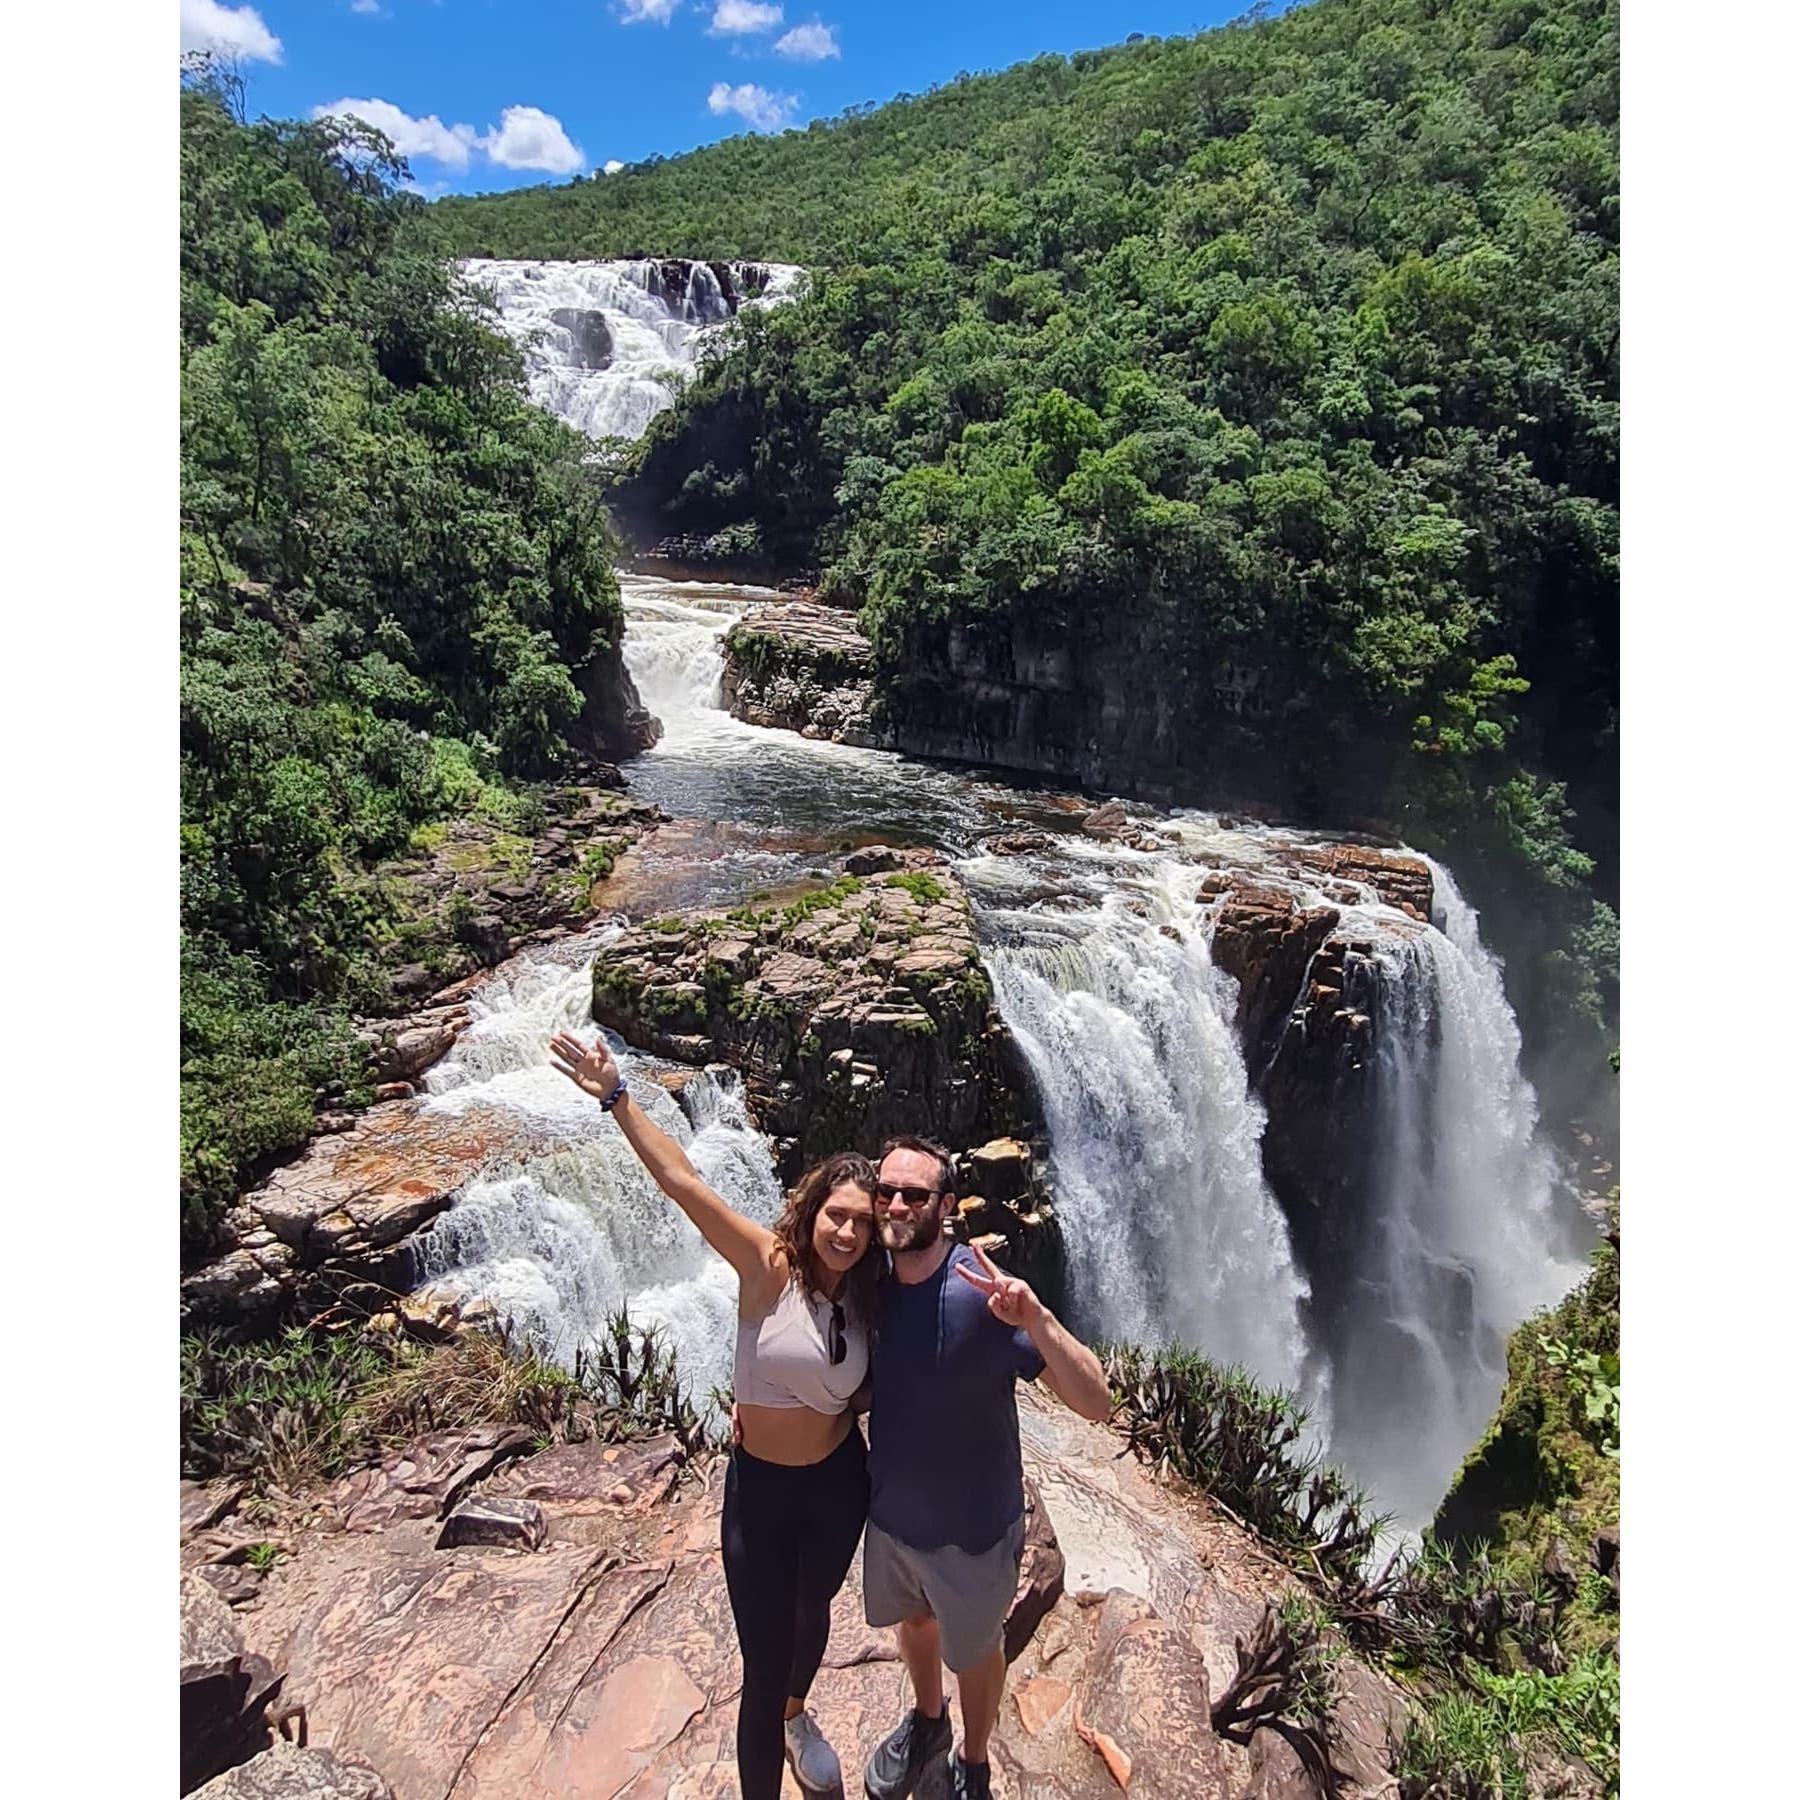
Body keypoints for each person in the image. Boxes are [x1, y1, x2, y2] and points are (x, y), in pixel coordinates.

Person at [549, 1029, 879, 1800]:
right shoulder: (768, 1265)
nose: (848, 1231)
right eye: (838, 1214)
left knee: (815, 1608)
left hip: (839, 1486)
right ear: (813, 1209)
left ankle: (801, 1717)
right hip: (761, 1494)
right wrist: (617, 1095)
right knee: (760, 1667)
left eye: (862, 1222)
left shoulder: (871, 1293)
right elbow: (684, 1182)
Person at [860, 1135, 1112, 1800]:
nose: (895, 1205)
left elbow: (1097, 1403)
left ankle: (973, 1762)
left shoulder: (983, 1291)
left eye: (914, 1194)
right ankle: (927, 1720)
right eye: (885, 1191)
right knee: (914, 1626)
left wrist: (1038, 1318)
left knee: (974, 1653)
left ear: (945, 1205)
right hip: (890, 1522)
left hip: (975, 1534)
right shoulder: (869, 1284)